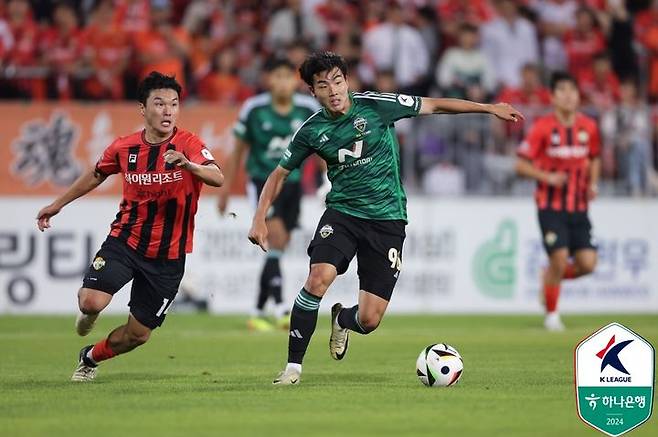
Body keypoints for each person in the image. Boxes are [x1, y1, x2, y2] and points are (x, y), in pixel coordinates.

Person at [247, 51, 522, 385]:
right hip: (343, 214)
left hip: (388, 219)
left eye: (337, 80)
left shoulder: (376, 105)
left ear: (346, 81)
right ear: (313, 92)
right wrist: (259, 217)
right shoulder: (311, 131)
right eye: (323, 85)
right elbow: (279, 174)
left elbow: (434, 105)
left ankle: (343, 320)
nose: (333, 90)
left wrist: (488, 109)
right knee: (318, 278)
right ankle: (293, 368)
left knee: (370, 319)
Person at [35, 72, 224, 381]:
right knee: (91, 299)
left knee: (138, 335)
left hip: (168, 255)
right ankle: (88, 314)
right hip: (126, 240)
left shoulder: (189, 143)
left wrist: (188, 165)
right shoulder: (125, 148)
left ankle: (90, 356)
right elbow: (97, 173)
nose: (167, 111)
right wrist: (58, 204)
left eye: (174, 104)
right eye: (159, 103)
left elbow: (218, 177)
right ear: (143, 109)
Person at [218, 56, 320, 331]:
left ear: (295, 81)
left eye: (288, 77)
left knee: (278, 247)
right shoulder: (254, 108)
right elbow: (238, 150)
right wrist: (225, 188)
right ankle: (281, 308)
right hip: (263, 183)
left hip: (294, 184)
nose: (283, 82)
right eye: (278, 76)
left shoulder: (308, 108)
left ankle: (256, 311)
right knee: (274, 239)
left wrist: (328, 181)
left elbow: (325, 144)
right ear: (268, 80)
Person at [515, 72, 600, 331]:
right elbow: (520, 165)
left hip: (579, 207)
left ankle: (548, 278)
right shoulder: (542, 127)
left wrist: (593, 183)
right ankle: (552, 315)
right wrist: (546, 177)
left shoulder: (589, 127)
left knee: (587, 264)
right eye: (562, 90)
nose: (568, 96)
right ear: (552, 96)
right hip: (549, 206)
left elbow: (594, 157)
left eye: (572, 90)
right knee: (560, 258)